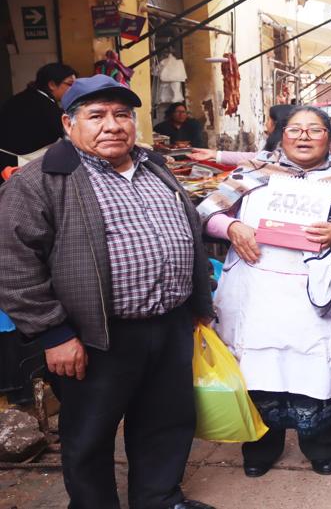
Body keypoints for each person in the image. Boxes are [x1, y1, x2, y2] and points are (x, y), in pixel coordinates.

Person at [0, 75, 215, 509]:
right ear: (68, 123)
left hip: (169, 323)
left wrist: (196, 302)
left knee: (166, 420)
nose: (112, 125)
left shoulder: (154, 166)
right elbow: (11, 261)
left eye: (122, 115)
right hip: (95, 335)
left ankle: (158, 497)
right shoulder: (42, 178)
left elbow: (187, 231)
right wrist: (54, 333)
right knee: (90, 433)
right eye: (96, 115)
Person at [197, 105, 331, 478]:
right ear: (281, 134)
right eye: (295, 129)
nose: (304, 136)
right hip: (260, 295)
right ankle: (260, 446)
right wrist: (233, 227)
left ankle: (320, 447)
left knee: (318, 373)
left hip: (320, 297)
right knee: (259, 373)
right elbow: (206, 213)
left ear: (330, 136)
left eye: (315, 129)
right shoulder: (254, 171)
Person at [0, 63, 77, 165]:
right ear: (52, 85)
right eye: (70, 84)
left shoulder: (31, 96)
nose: (74, 89)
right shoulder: (41, 104)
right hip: (16, 163)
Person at [188, 104, 293, 165]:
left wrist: (215, 154)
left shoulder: (289, 151)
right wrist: (214, 154)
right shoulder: (280, 148)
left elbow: (259, 158)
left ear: (277, 123)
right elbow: (259, 157)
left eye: (268, 120)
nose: (265, 123)